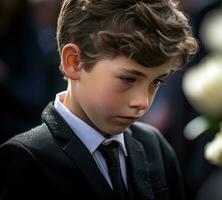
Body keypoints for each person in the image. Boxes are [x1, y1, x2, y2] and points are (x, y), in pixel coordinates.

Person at [0, 0, 198, 200]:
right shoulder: (27, 159)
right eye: (128, 79)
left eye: (156, 82)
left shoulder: (156, 148)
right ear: (74, 62)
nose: (143, 102)